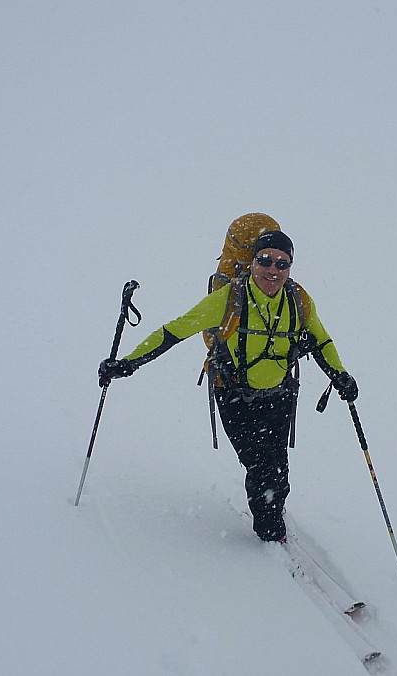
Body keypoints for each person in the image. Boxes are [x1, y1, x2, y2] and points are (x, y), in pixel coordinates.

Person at [97, 229, 357, 542]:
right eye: (265, 260)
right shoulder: (229, 298)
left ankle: (272, 513)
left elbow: (321, 340)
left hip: (280, 395)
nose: (273, 270)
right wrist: (129, 363)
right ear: (252, 263)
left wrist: (340, 375)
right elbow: (174, 331)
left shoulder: (298, 300)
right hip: (234, 394)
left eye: (282, 263)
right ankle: (270, 531)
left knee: (277, 467)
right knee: (259, 464)